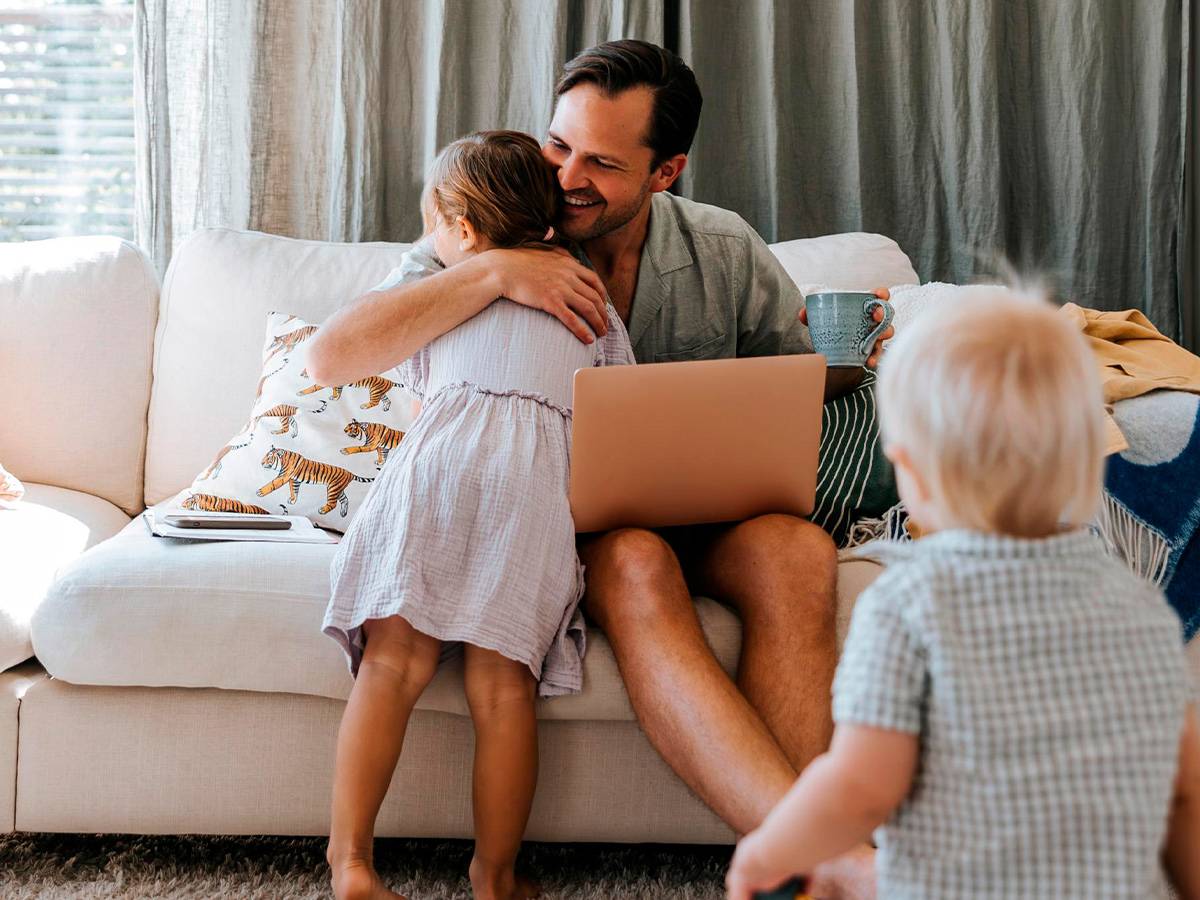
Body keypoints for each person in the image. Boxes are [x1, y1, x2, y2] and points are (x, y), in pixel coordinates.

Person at [307, 40, 892, 897]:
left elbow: (798, 378)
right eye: (559, 144)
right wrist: (497, 271)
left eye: (603, 162)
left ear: (666, 172)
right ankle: (821, 862)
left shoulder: (722, 247)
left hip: (712, 509)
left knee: (796, 550)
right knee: (636, 557)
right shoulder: (488, 227)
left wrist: (855, 360)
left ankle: (820, 847)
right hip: (564, 526)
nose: (567, 175)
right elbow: (332, 356)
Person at [725, 291, 1200, 900]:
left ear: (910, 470)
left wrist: (771, 848)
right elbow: (1183, 783)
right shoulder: (1132, 603)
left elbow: (859, 785)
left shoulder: (904, 606)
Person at [319, 130, 635, 900]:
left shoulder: (442, 296)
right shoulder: (591, 304)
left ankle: (352, 865)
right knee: (502, 695)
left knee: (392, 668)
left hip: (434, 476)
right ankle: (495, 876)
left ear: (460, 229)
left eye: (432, 225)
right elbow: (622, 416)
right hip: (530, 497)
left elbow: (409, 377)